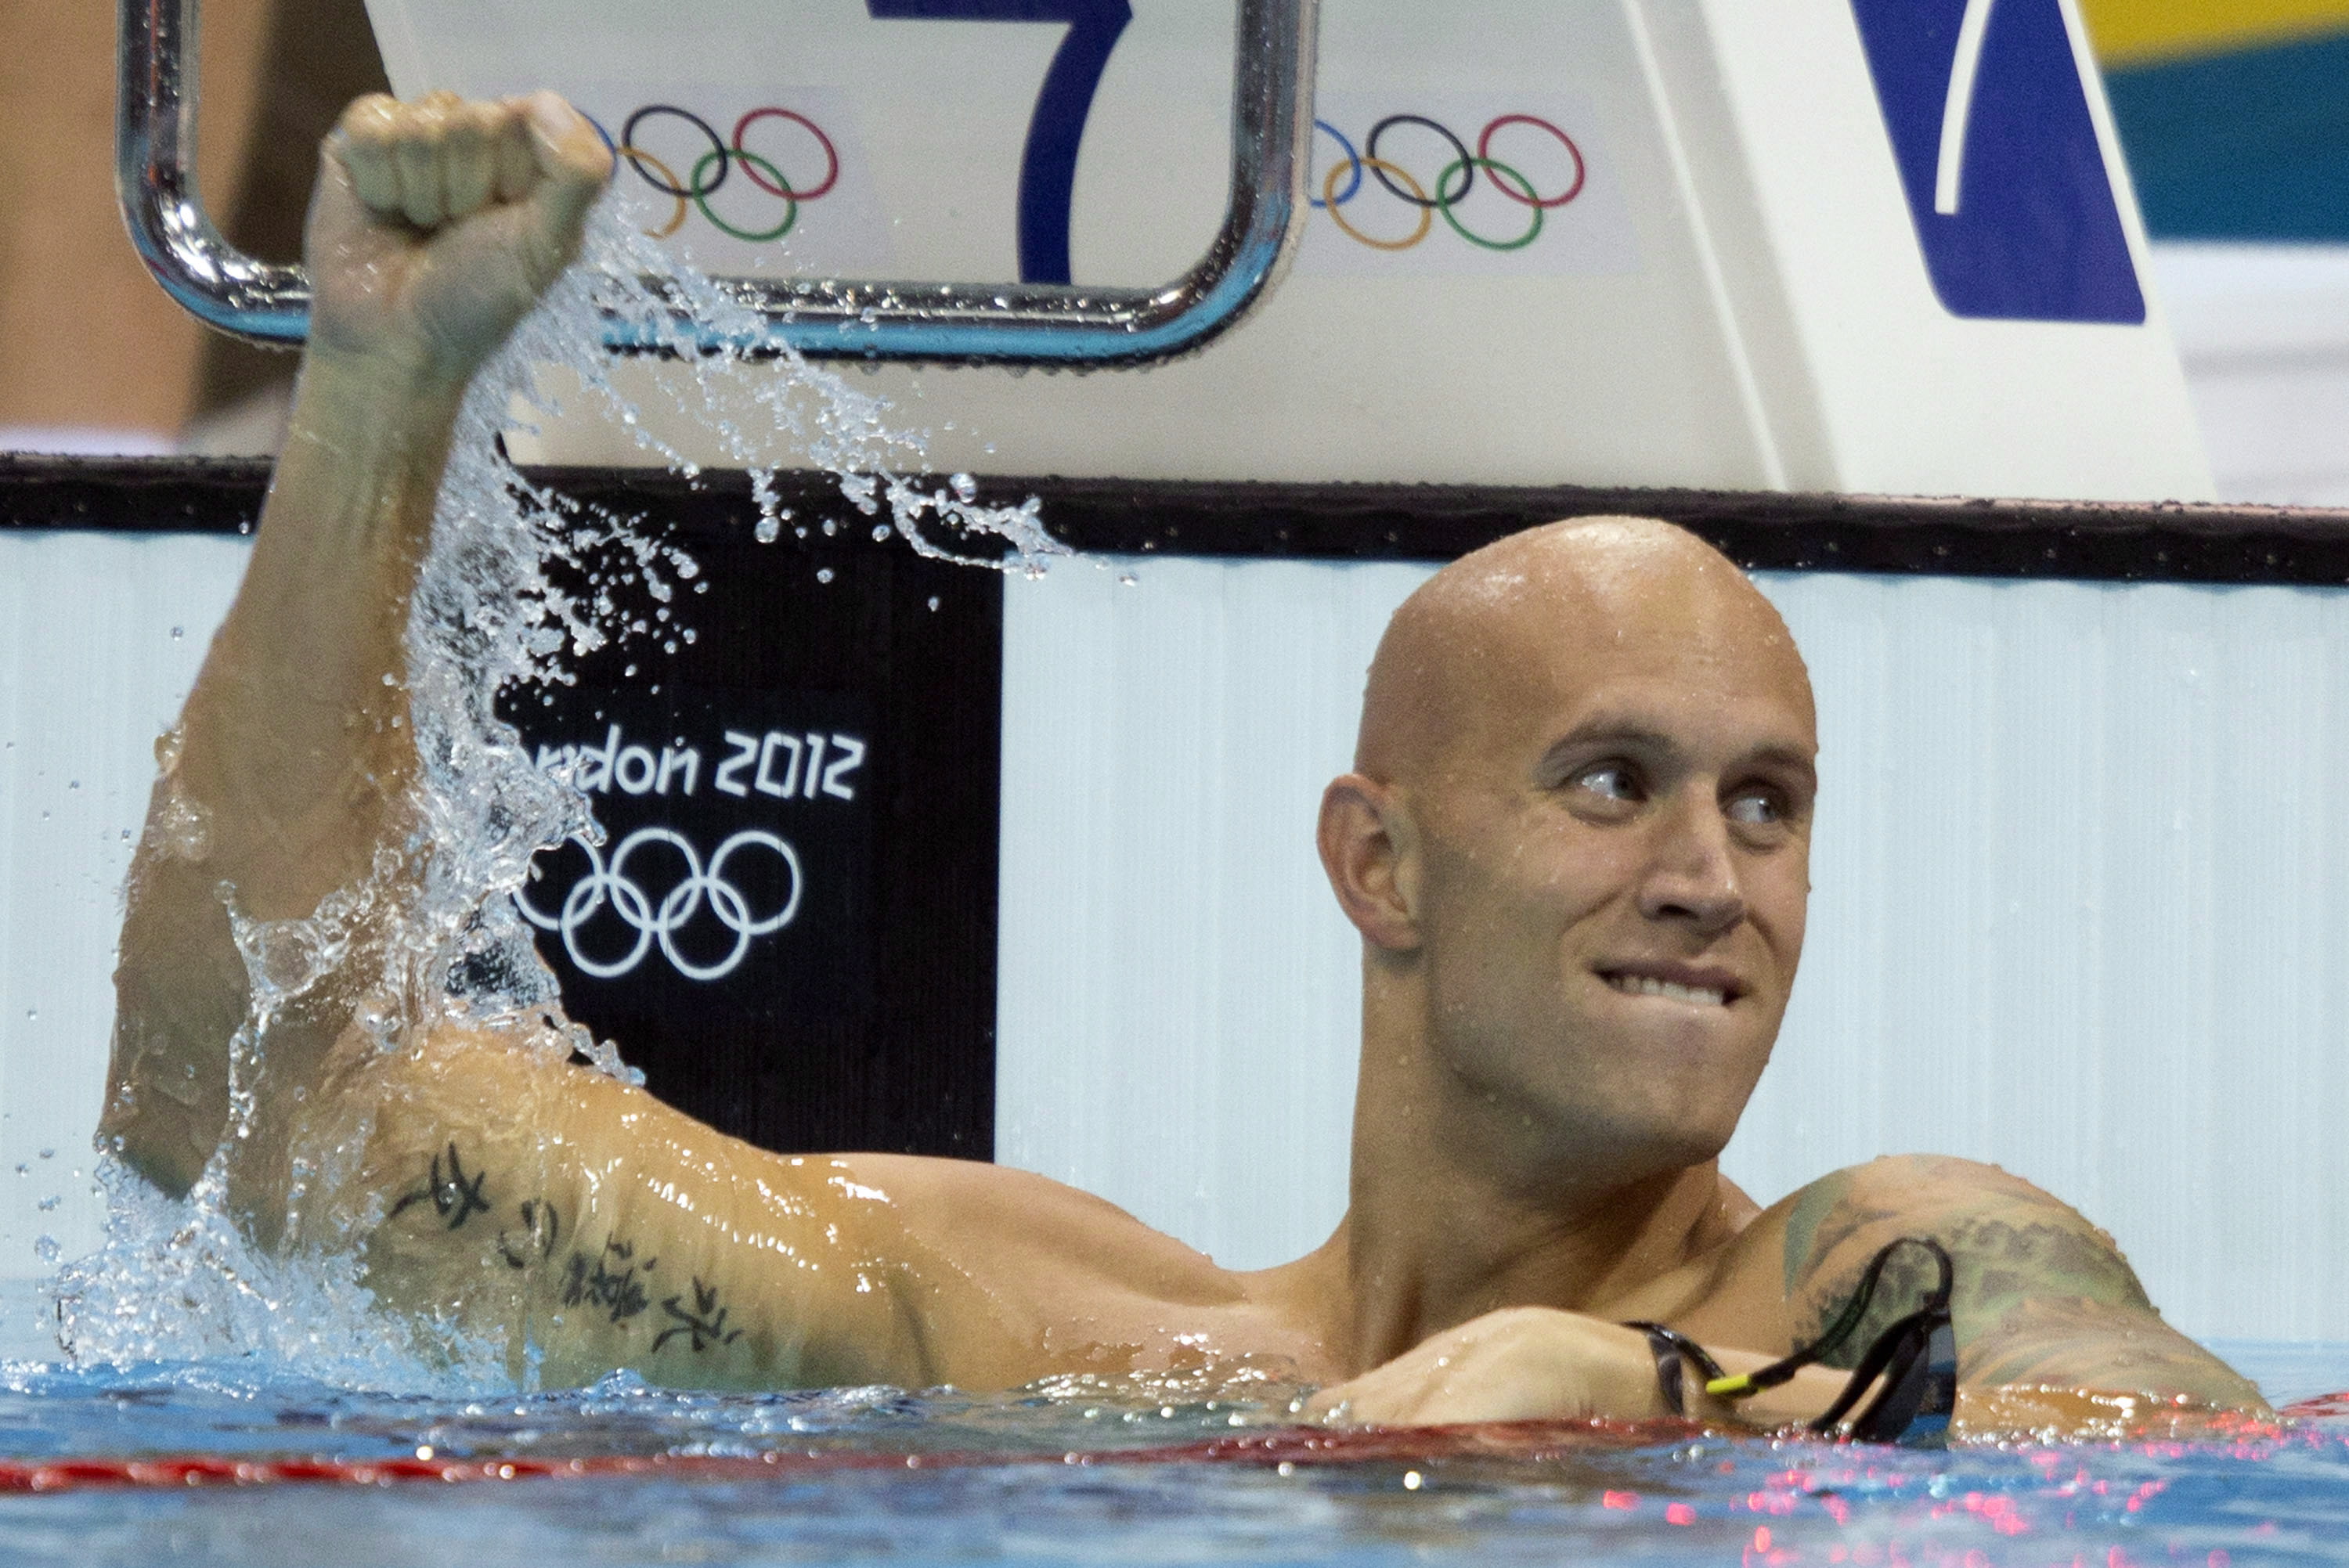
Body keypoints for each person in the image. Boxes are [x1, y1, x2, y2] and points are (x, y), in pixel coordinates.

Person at [99, 90, 2267, 1435]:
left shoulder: (1886, 1267)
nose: (1714, 871)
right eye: (1613, 782)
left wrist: (1673, 1390)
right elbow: (243, 1114)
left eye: (1767, 802)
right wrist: (376, 401)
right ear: (1379, 862)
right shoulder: (1017, 1330)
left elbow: (2176, 1446)